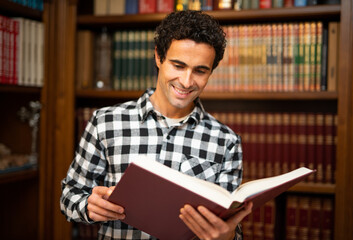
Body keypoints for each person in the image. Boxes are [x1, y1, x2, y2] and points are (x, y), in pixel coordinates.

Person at [60, 10, 252, 240]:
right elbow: (69, 196)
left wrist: (227, 236)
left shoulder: (227, 142)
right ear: (158, 58)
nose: (187, 81)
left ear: (211, 72)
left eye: (200, 71)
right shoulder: (105, 122)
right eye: (178, 65)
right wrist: (89, 207)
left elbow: (231, 228)